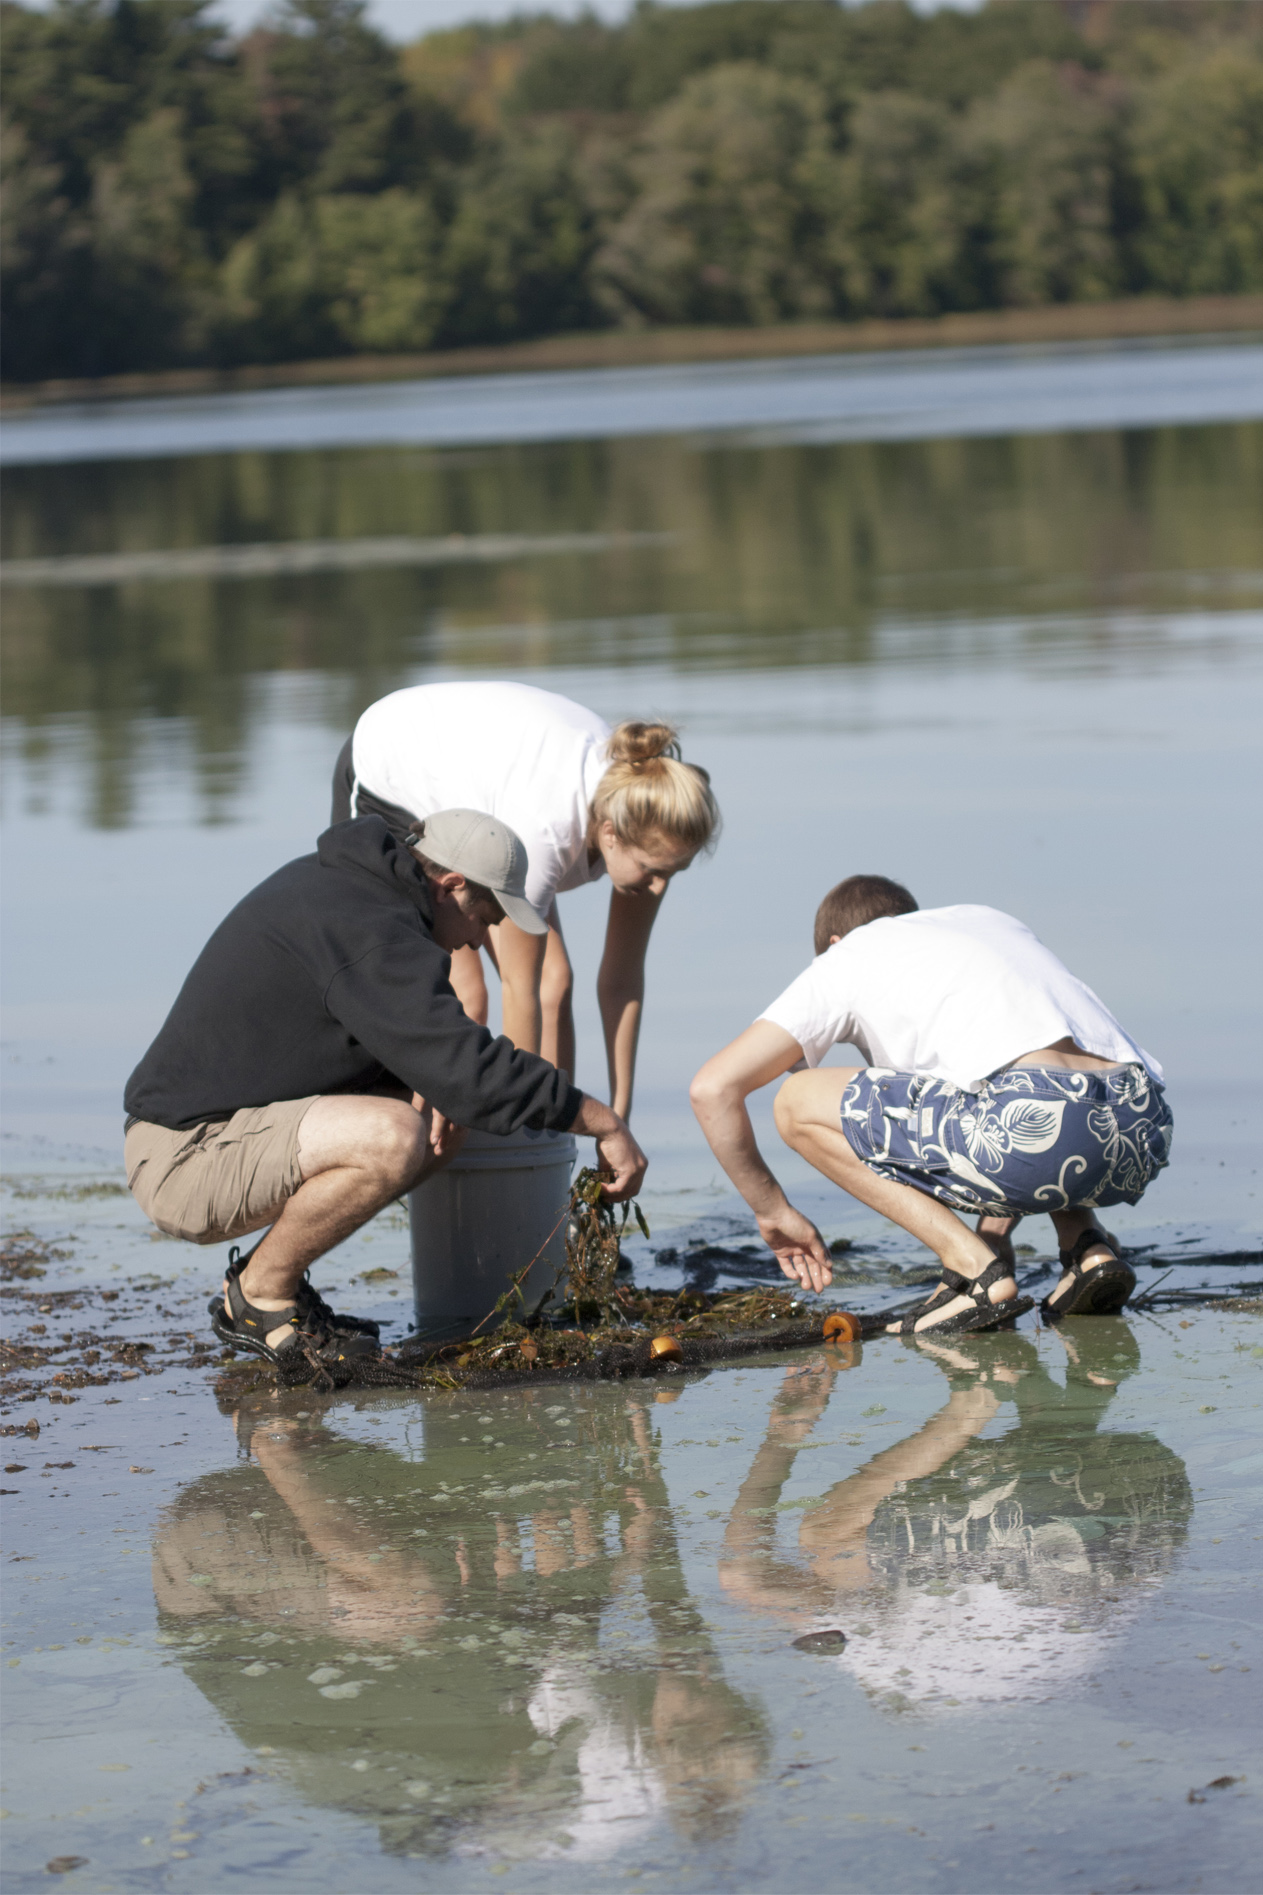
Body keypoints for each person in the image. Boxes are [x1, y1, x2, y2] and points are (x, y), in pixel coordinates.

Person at [123, 808, 647, 1366]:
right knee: (394, 1136)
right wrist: (603, 1121)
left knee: (443, 1115)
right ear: (451, 885)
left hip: (230, 1129)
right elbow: (475, 1073)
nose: (481, 938)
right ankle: (259, 1295)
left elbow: (444, 1066)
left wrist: (437, 1082)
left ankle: (275, 1283)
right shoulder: (371, 930)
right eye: (487, 915)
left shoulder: (368, 897)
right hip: (186, 1154)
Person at [690, 875, 1173, 1335]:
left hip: (1035, 1127)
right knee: (1041, 1087)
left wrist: (772, 1209)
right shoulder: (984, 921)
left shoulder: (847, 957)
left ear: (835, 943)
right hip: (1141, 1124)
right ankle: (1086, 1248)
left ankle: (975, 1273)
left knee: (795, 1101)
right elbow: (1036, 1075)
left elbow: (713, 1089)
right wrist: (995, 1229)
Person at [331, 681, 719, 1118]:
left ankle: (550, 1150)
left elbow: (622, 981)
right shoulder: (544, 836)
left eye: (672, 873)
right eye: (653, 871)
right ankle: (437, 1145)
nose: (659, 888)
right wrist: (514, 1116)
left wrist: (618, 1115)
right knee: (467, 995)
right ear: (610, 835)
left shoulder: (639, 823)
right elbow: (519, 990)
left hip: (492, 792)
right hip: (393, 767)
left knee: (558, 983)